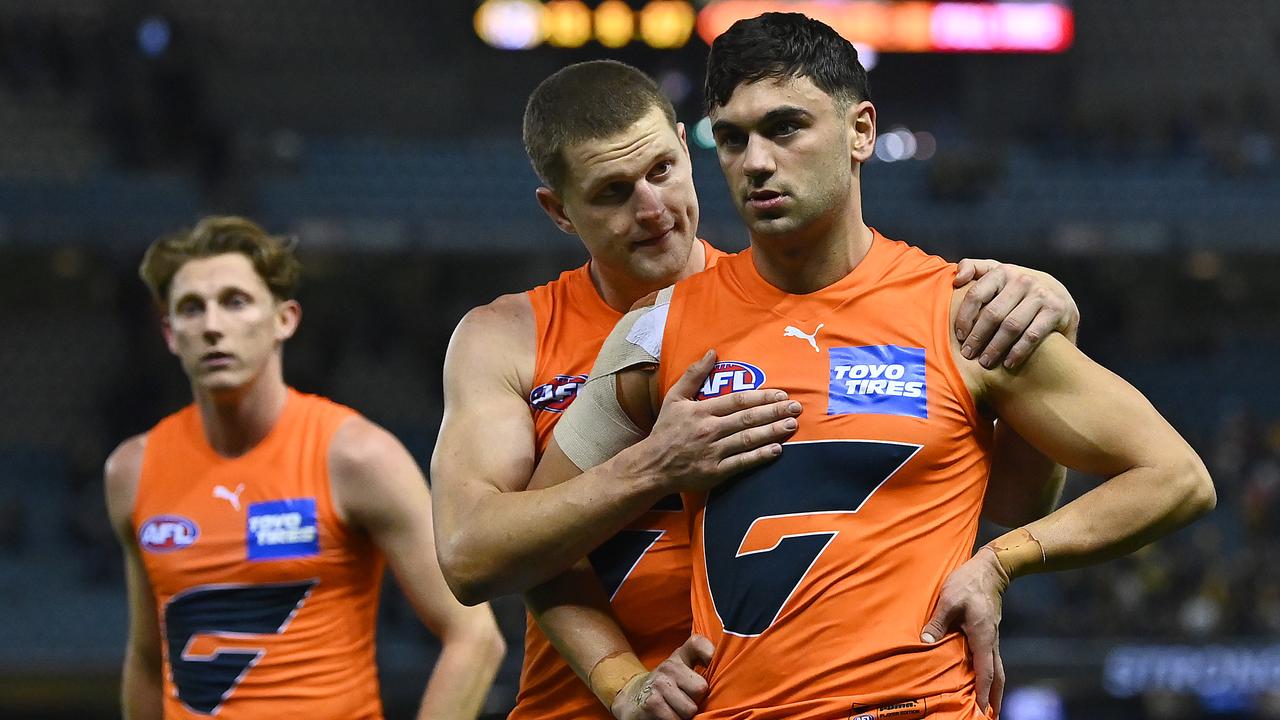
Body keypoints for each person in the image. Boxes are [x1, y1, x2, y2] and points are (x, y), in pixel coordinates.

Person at [522, 15, 1216, 720]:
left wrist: (1003, 563)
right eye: (730, 138)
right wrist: (622, 681)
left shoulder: (963, 313)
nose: (755, 161)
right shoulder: (660, 329)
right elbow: (531, 547)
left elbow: (1174, 478)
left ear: (860, 132)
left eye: (785, 128)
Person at [430, 61, 1080, 719]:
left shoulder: (793, 307)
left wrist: (1042, 342)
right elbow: (473, 557)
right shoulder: (508, 338)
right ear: (558, 210)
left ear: (688, 149)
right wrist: (625, 676)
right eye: (612, 192)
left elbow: (1013, 499)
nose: (652, 208)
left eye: (661, 171)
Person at [104, 216, 505, 720]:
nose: (211, 325)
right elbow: (146, 659)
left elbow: (475, 637)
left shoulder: (356, 457)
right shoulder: (131, 471)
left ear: (284, 319)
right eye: (190, 308)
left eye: (235, 301)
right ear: (168, 333)